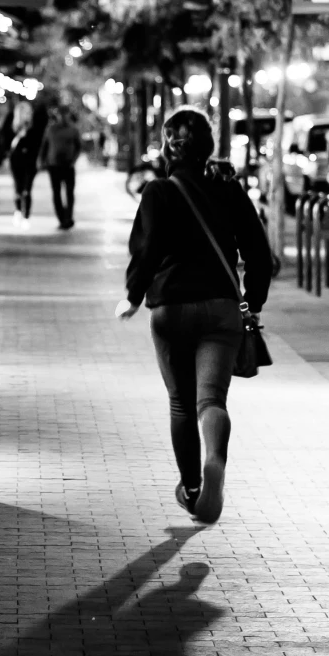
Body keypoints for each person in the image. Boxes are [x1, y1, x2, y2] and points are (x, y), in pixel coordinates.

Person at [118, 107, 273, 524]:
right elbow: (260, 252)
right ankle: (215, 463)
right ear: (209, 146)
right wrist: (251, 300)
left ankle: (191, 486)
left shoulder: (158, 193)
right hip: (222, 308)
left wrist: (132, 296)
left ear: (169, 146)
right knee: (211, 400)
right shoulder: (229, 190)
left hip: (170, 308)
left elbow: (146, 250)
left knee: (181, 403)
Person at [42, 102, 82, 229]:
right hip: (54, 165)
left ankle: (69, 217)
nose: (63, 117)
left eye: (65, 114)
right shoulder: (51, 129)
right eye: (61, 114)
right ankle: (61, 218)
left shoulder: (73, 130)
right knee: (57, 193)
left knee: (69, 193)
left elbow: (79, 147)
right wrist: (42, 160)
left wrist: (74, 160)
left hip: (68, 165)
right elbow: (44, 146)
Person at [8, 98, 49, 222]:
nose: (27, 114)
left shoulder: (35, 126)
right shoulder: (13, 126)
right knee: (17, 187)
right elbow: (7, 142)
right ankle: (18, 210)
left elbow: (39, 142)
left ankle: (26, 216)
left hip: (30, 159)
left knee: (27, 188)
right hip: (16, 159)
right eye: (25, 112)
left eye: (28, 112)